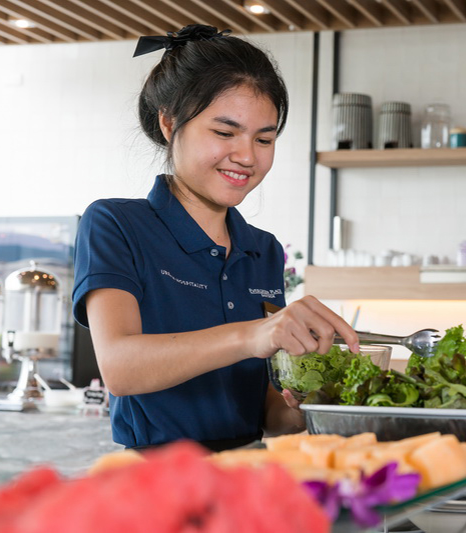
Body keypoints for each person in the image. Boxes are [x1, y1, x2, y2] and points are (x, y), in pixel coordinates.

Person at [72, 24, 359, 452]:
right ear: (170, 124)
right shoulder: (116, 223)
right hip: (156, 481)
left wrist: (313, 396)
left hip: (249, 474)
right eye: (225, 133)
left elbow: (269, 414)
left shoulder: (263, 249)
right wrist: (255, 334)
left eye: (265, 138)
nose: (247, 156)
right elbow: (120, 367)